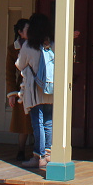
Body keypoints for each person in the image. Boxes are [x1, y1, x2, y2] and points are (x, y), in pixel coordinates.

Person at [16, 12, 54, 170]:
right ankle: (49, 154)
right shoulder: (52, 44)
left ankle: (39, 156)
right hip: (50, 87)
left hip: (35, 89)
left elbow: (20, 64)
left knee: (37, 122)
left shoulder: (28, 45)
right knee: (48, 122)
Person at [4, 18, 31, 161]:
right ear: (20, 32)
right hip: (23, 88)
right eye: (27, 29)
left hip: (37, 86)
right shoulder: (12, 49)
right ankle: (21, 150)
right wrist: (12, 94)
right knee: (23, 122)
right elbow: (9, 72)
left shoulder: (37, 45)